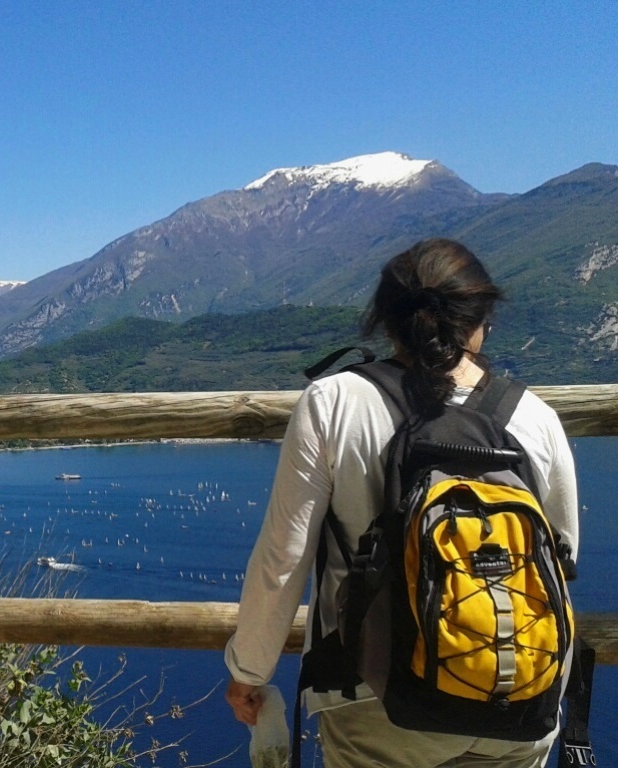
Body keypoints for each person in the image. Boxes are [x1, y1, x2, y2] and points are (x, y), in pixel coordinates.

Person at [224, 238, 579, 768]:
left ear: (386, 322)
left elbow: (284, 558)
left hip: (378, 697)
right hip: (519, 692)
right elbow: (561, 555)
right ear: (481, 320)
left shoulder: (336, 401)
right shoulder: (534, 415)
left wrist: (249, 672)